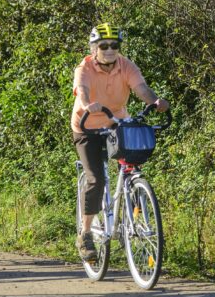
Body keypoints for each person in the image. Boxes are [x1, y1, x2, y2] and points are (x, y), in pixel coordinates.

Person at [72, 23, 169, 262]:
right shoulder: (84, 67)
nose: (110, 50)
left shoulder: (126, 66)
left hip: (116, 123)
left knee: (132, 166)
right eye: (104, 45)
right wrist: (86, 104)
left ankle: (133, 211)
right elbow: (82, 90)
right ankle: (85, 234)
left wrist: (156, 101)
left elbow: (141, 88)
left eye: (114, 45)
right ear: (94, 48)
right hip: (86, 126)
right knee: (97, 178)